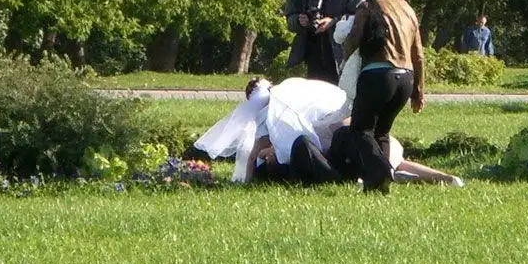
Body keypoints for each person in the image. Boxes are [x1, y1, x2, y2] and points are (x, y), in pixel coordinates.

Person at [193, 77, 462, 187]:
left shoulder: (289, 104)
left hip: (337, 149)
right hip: (334, 151)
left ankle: (440, 177)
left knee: (385, 157)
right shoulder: (276, 113)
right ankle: (438, 177)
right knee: (392, 160)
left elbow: (258, 154)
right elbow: (254, 155)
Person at [342, 0, 425, 192]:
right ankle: (377, 187)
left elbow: (353, 42)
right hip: (405, 78)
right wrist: (418, 91)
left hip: (378, 75)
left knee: (360, 129)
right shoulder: (408, 10)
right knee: (382, 132)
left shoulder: (368, 7)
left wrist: (344, 44)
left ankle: (382, 172)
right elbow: (418, 55)